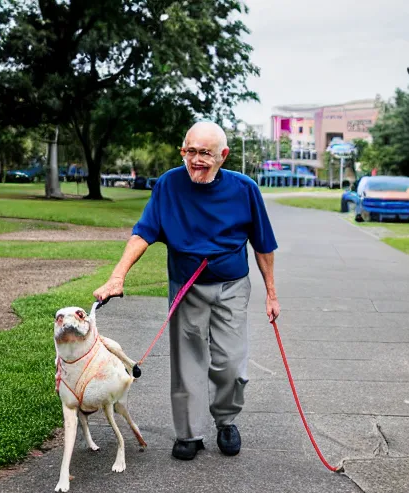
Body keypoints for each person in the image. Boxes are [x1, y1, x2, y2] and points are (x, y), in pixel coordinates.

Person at [93, 121, 280, 461]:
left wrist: (271, 293)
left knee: (231, 365)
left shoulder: (245, 189)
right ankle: (189, 433)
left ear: (223, 155)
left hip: (232, 286)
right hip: (187, 287)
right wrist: (117, 276)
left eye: (205, 153)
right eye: (189, 151)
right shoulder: (169, 185)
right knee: (187, 362)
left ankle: (226, 420)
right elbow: (143, 232)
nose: (195, 160)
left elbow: (263, 245)